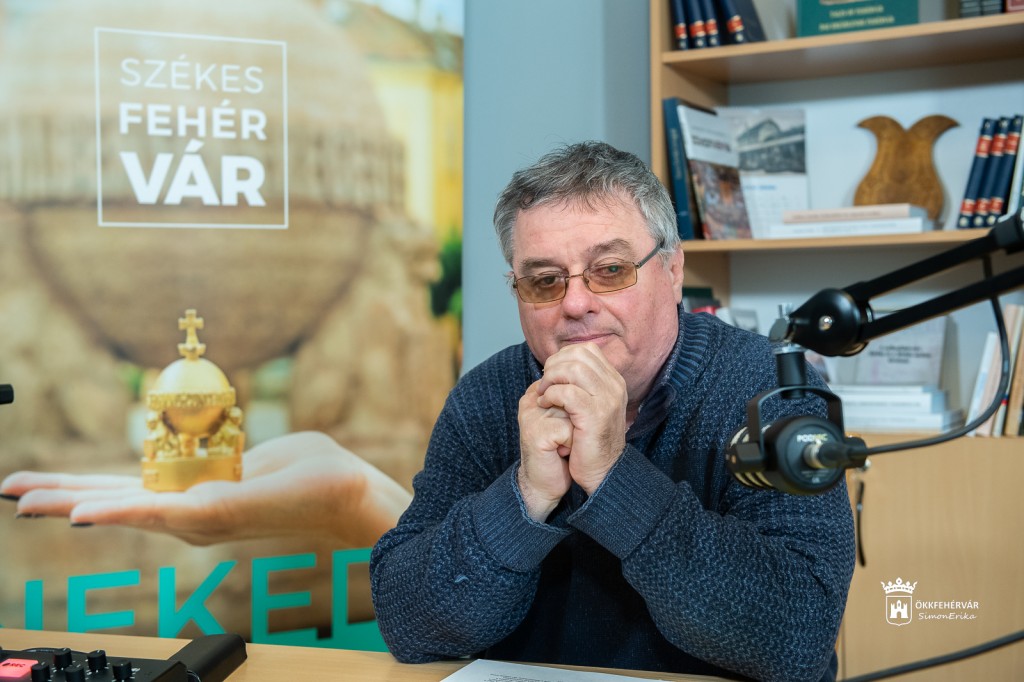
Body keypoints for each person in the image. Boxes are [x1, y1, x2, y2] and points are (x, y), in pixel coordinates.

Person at [368, 141, 855, 682]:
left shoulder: (769, 388)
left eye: (611, 269)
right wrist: (525, 496)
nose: (575, 304)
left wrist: (612, 477)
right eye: (545, 280)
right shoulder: (486, 397)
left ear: (673, 270)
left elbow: (797, 640)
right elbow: (409, 626)